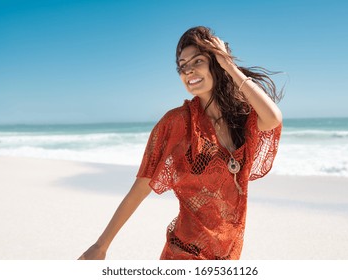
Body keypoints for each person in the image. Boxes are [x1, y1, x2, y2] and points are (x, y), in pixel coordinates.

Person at [78, 26, 283, 260]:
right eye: (182, 66)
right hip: (184, 253)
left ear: (216, 63)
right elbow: (141, 186)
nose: (188, 71)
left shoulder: (241, 118)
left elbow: (273, 118)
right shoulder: (177, 123)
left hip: (228, 256)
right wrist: (101, 246)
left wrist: (230, 66)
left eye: (197, 61)